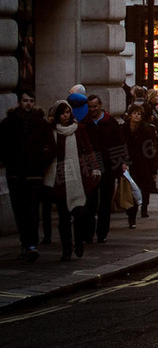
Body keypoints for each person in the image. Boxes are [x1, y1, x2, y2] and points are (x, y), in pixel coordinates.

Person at [43, 101, 100, 261]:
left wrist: (95, 167)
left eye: (68, 112)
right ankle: (66, 248)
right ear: (57, 115)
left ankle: (79, 241)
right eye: (62, 113)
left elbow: (88, 149)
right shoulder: (52, 131)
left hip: (78, 176)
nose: (66, 116)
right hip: (60, 178)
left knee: (80, 213)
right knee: (63, 218)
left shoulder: (79, 129)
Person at [2, 90, 52, 261]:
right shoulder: (9, 123)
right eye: (25, 101)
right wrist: (9, 162)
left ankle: (32, 244)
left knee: (32, 210)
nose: (28, 104)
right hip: (15, 174)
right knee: (20, 210)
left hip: (34, 174)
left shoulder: (41, 123)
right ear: (19, 102)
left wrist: (41, 162)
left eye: (31, 100)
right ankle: (25, 242)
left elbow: (50, 147)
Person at [81, 94, 129, 243]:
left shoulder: (110, 122)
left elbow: (120, 143)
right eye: (90, 107)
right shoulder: (85, 123)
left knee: (105, 202)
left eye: (95, 106)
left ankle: (102, 233)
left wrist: (121, 163)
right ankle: (88, 234)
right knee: (90, 202)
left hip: (108, 166)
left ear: (100, 105)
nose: (93, 109)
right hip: (91, 166)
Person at [122, 105, 158, 228]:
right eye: (134, 113)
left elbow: (151, 150)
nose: (137, 116)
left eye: (139, 114)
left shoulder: (146, 129)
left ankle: (144, 208)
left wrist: (153, 169)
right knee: (131, 190)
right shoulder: (124, 128)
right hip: (129, 164)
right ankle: (131, 216)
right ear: (130, 114)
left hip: (143, 164)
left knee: (144, 188)